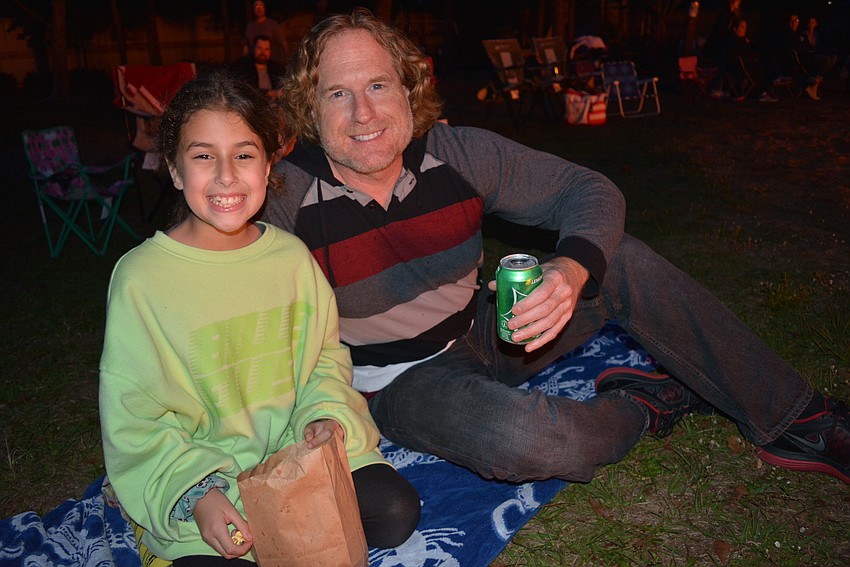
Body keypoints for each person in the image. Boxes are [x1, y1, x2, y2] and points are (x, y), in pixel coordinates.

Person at [264, 8, 850, 490]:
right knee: (535, 443)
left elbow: (588, 189)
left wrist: (570, 272)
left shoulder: (459, 153)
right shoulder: (288, 195)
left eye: (377, 85)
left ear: (409, 89)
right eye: (336, 93)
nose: (363, 113)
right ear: (309, 108)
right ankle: (644, 404)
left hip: (484, 329)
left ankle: (798, 416)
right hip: (399, 383)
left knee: (619, 259)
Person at [99, 69, 420, 566]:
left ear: (268, 169)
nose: (226, 176)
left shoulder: (291, 258)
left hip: (293, 451)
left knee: (395, 513)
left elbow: (323, 360)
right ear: (176, 169)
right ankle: (152, 510)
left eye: (244, 155)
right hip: (204, 472)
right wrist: (197, 494)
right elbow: (135, 415)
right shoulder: (141, 280)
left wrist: (322, 418)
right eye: (204, 156)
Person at [724, 18, 779, 102]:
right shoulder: (735, 41)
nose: (745, 30)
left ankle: (767, 90)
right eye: (742, 27)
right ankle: (763, 92)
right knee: (767, 67)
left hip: (749, 63)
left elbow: (750, 52)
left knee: (770, 62)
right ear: (735, 28)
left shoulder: (743, 40)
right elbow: (745, 54)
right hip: (743, 67)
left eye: (745, 27)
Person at [232, 34, 285, 98]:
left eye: (266, 49)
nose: (263, 53)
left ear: (270, 51)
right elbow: (244, 89)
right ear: (253, 48)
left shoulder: (275, 68)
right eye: (259, 48)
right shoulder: (243, 66)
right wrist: (268, 93)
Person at [242, 0, 286, 65]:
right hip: (254, 65)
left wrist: (285, 59)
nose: (259, 8)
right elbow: (246, 46)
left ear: (264, 8)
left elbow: (283, 43)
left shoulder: (273, 25)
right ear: (253, 9)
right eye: (256, 6)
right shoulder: (249, 27)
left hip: (272, 63)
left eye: (261, 6)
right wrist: (245, 62)